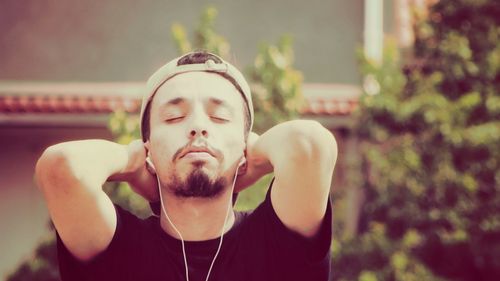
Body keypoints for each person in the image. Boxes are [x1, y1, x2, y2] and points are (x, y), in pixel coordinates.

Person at [35, 51, 338, 281]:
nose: (197, 126)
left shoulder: (274, 243)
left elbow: (309, 145)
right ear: (148, 146)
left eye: (219, 117)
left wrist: (253, 158)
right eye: (174, 118)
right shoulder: (120, 251)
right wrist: (134, 163)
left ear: (245, 145)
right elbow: (62, 168)